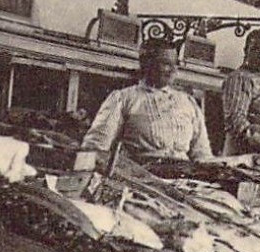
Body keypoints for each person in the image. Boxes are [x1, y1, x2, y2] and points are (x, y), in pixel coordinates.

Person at [81, 39, 213, 162]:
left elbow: (203, 154)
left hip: (185, 180)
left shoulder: (188, 102)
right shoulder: (123, 99)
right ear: (146, 63)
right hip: (141, 180)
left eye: (175, 64)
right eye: (166, 64)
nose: (173, 70)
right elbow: (94, 148)